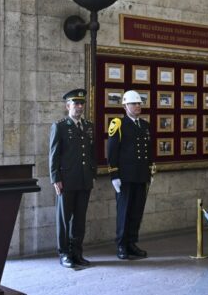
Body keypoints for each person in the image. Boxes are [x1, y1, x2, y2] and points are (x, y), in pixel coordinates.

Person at [48, 88, 97, 269]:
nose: (79, 106)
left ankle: (77, 252)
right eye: (75, 103)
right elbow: (53, 155)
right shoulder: (60, 126)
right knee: (63, 218)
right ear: (67, 106)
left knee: (79, 219)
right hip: (66, 180)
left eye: (81, 103)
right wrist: (55, 179)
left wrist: (93, 173)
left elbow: (92, 153)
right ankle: (64, 254)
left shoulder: (89, 126)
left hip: (84, 179)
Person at [106, 90, 153, 260]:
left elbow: (149, 151)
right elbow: (112, 151)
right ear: (125, 106)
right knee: (124, 212)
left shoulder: (145, 125)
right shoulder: (118, 123)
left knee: (136, 211)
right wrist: (114, 175)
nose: (138, 106)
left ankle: (132, 243)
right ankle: (121, 245)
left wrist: (150, 170)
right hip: (125, 177)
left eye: (139, 103)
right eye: (134, 103)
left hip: (141, 176)